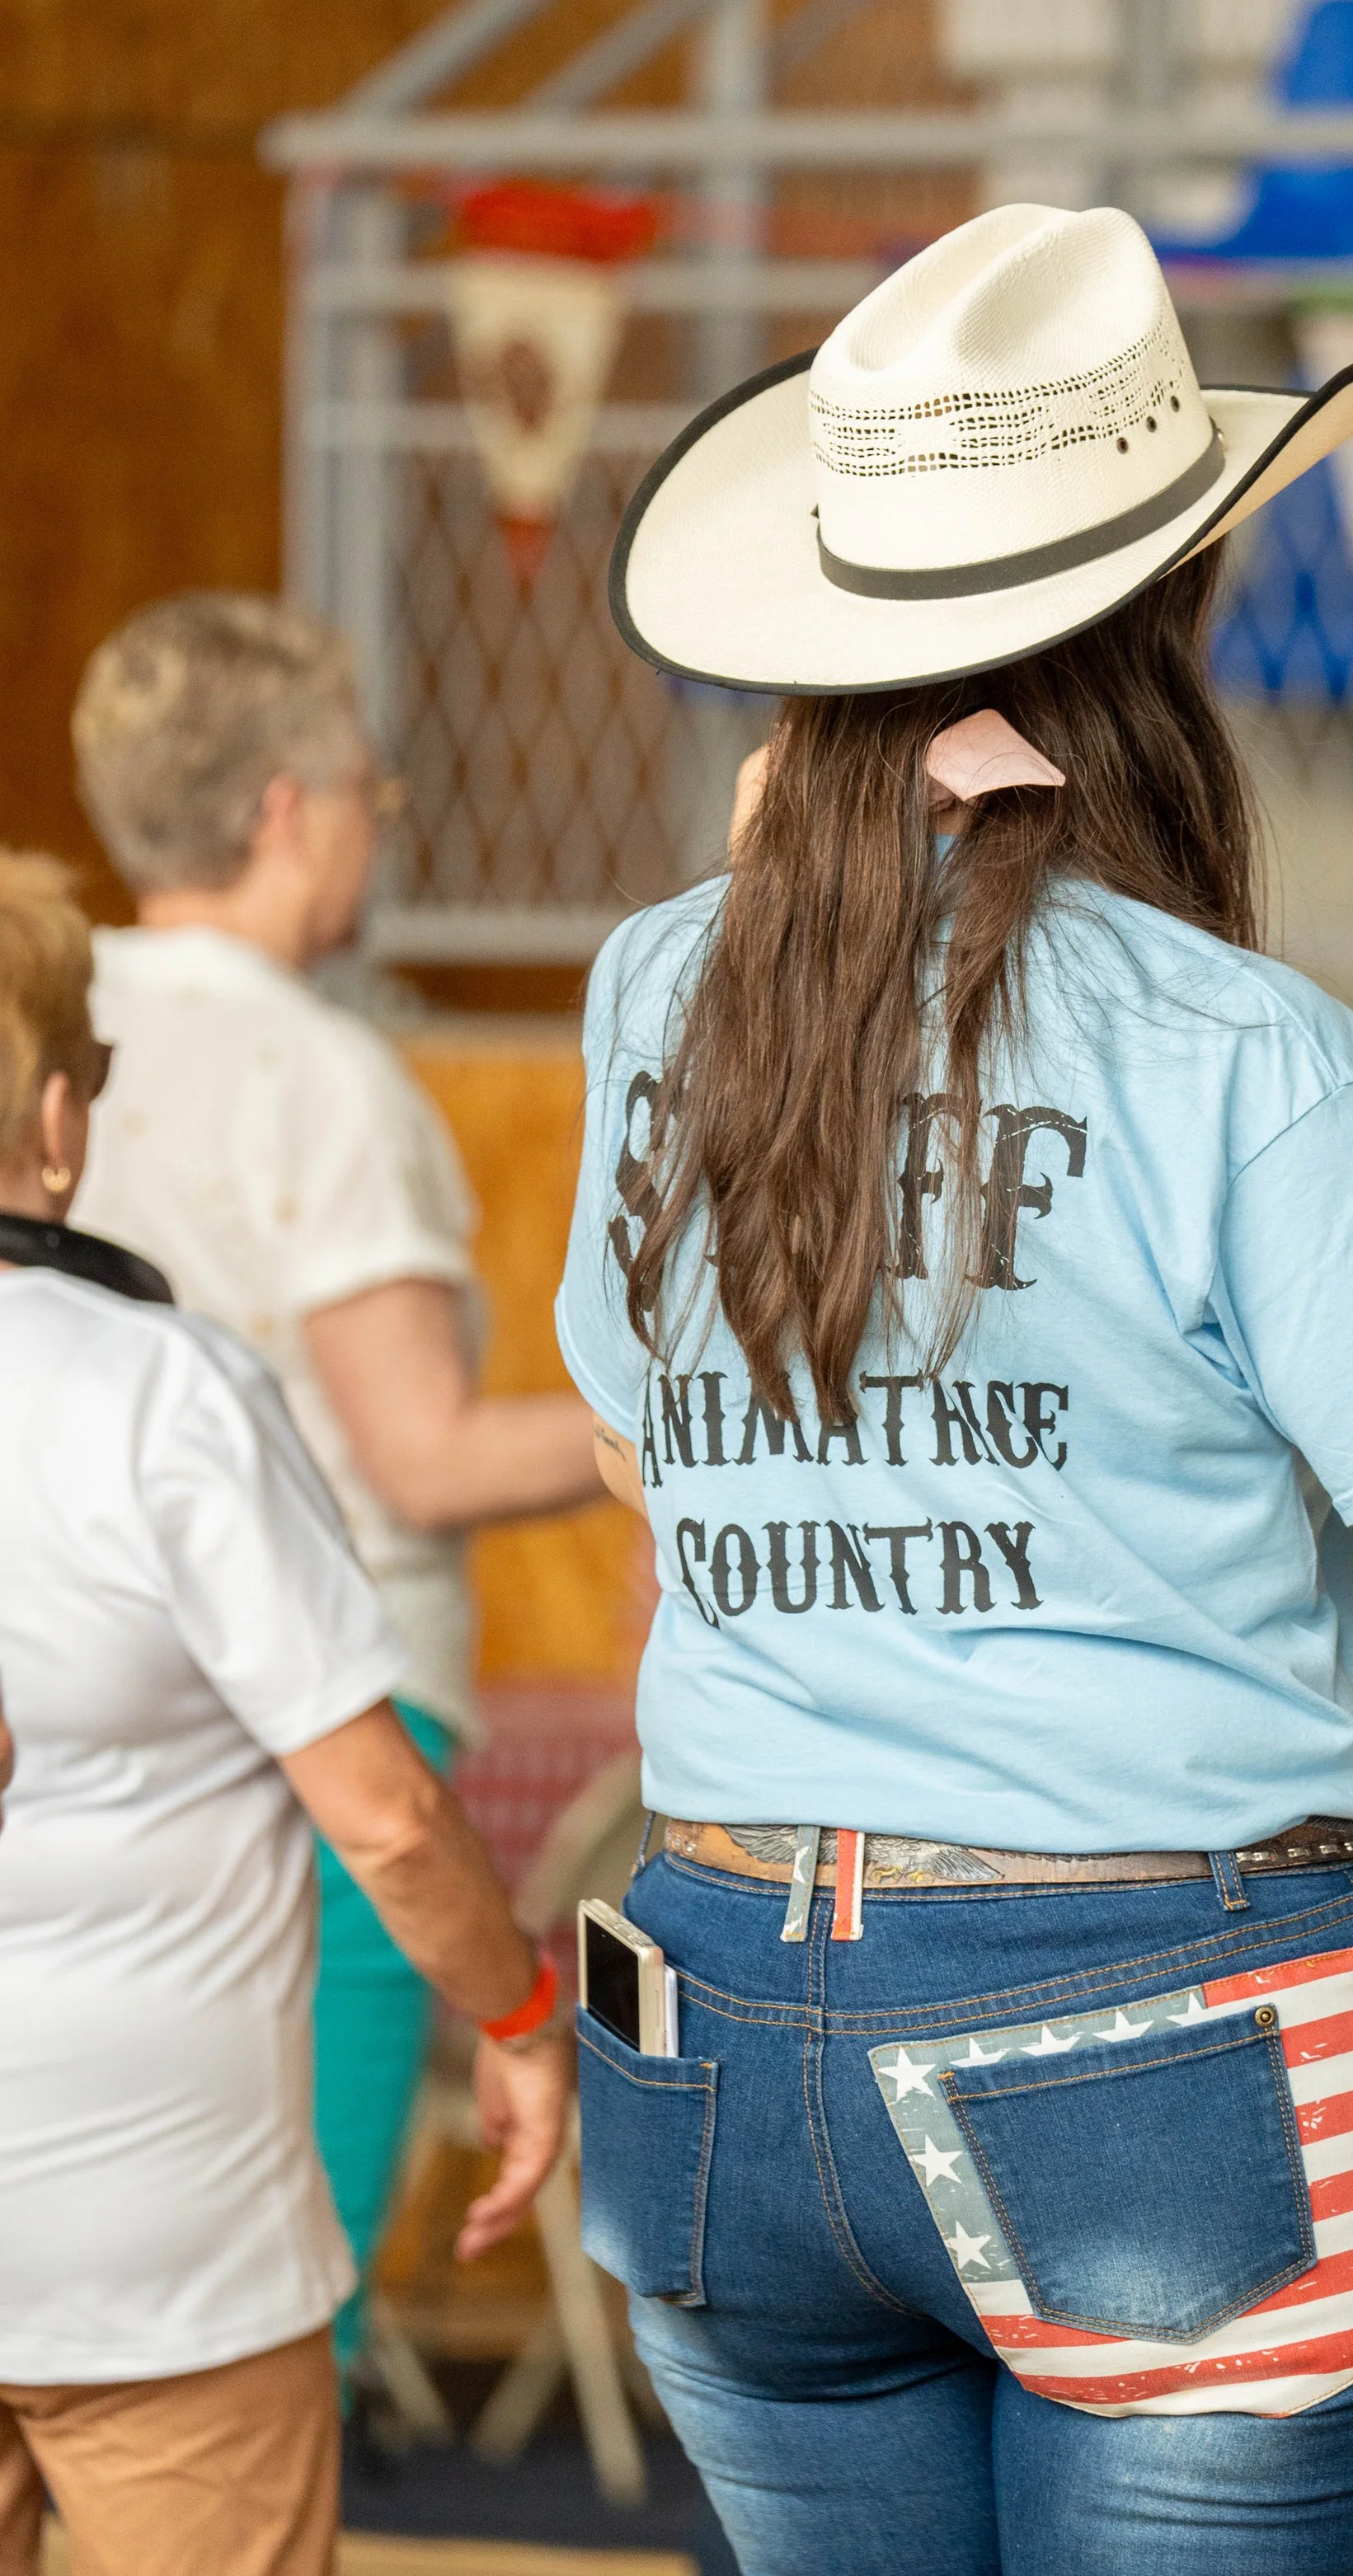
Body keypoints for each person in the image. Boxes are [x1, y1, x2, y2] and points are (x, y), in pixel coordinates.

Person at [555, 201, 1353, 2574]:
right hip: (1153, 2029)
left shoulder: (655, 986)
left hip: (715, 2007)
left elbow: (629, 1434)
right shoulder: (1230, 1047)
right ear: (1162, 612)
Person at [0, 851, 570, 2576]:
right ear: (57, 1122)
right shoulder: (161, 1389)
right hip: (159, 2260)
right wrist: (519, 2011)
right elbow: (384, 1815)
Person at [65, 592, 605, 2374]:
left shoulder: (50, 1022)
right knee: (281, 2323)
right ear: (286, 812)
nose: (379, 825)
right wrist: (665, 1430)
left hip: (78, 1703)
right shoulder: (321, 1075)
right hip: (320, 1731)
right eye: (370, 790)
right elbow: (419, 1456)